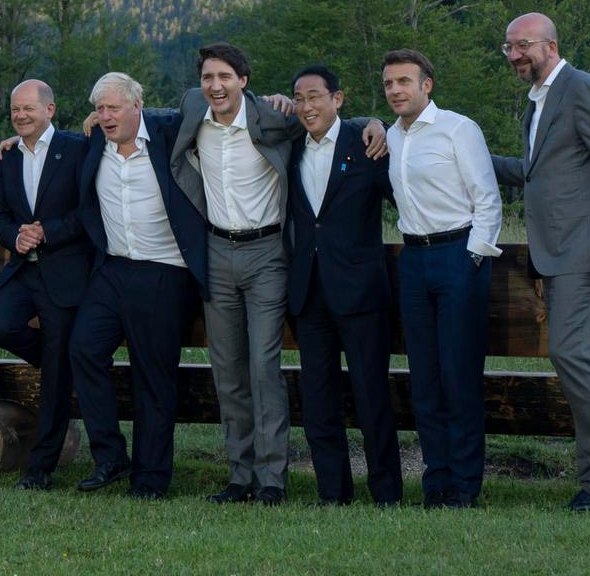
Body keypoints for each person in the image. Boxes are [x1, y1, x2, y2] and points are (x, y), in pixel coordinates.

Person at [167, 42, 386, 505]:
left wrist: (375, 122)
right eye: (208, 77)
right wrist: (92, 122)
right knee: (227, 370)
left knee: (264, 368)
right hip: (215, 250)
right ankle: (239, 476)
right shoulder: (193, 108)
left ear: (244, 82)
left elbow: (323, 122)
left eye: (225, 76)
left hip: (268, 253)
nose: (215, 85)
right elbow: (148, 119)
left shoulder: (274, 118)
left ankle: (271, 479)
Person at [490, 13, 590, 513]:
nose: (515, 55)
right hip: (555, 256)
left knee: (573, 357)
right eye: (508, 48)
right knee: (576, 359)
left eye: (523, 46)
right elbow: (535, 174)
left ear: (551, 46)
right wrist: (464, 149)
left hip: (585, 254)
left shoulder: (581, 88)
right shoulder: (538, 103)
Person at [67, 72, 209, 501]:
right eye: (100, 108)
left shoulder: (167, 132)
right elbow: (45, 148)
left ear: (136, 106)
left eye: (114, 107)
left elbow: (205, 101)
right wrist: (12, 145)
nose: (105, 116)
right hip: (112, 269)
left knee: (154, 378)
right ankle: (110, 456)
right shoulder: (94, 142)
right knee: (84, 350)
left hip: (165, 272)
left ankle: (150, 478)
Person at [382, 48, 502, 509]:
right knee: (425, 378)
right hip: (412, 261)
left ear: (426, 85)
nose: (396, 90)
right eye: (389, 83)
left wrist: (471, 259)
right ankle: (437, 479)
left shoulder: (458, 128)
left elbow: (487, 200)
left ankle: (465, 484)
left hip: (458, 257)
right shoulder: (389, 136)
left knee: (459, 375)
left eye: (404, 82)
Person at [284, 65, 400, 507]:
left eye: (315, 96)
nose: (306, 106)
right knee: (318, 398)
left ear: (338, 98)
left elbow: (406, 187)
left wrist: (379, 123)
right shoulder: (290, 145)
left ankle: (386, 492)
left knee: (372, 396)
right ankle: (332, 491)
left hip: (361, 292)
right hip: (308, 293)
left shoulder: (367, 144)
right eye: (299, 98)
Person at [0, 79, 91, 491]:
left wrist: (47, 231)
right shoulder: (8, 156)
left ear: (50, 109)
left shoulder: (76, 149)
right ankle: (59, 366)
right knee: (0, 327)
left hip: (64, 272)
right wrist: (16, 236)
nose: (21, 115)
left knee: (53, 383)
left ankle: (41, 467)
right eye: (15, 109)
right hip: (24, 270)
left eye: (29, 108)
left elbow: (89, 211)